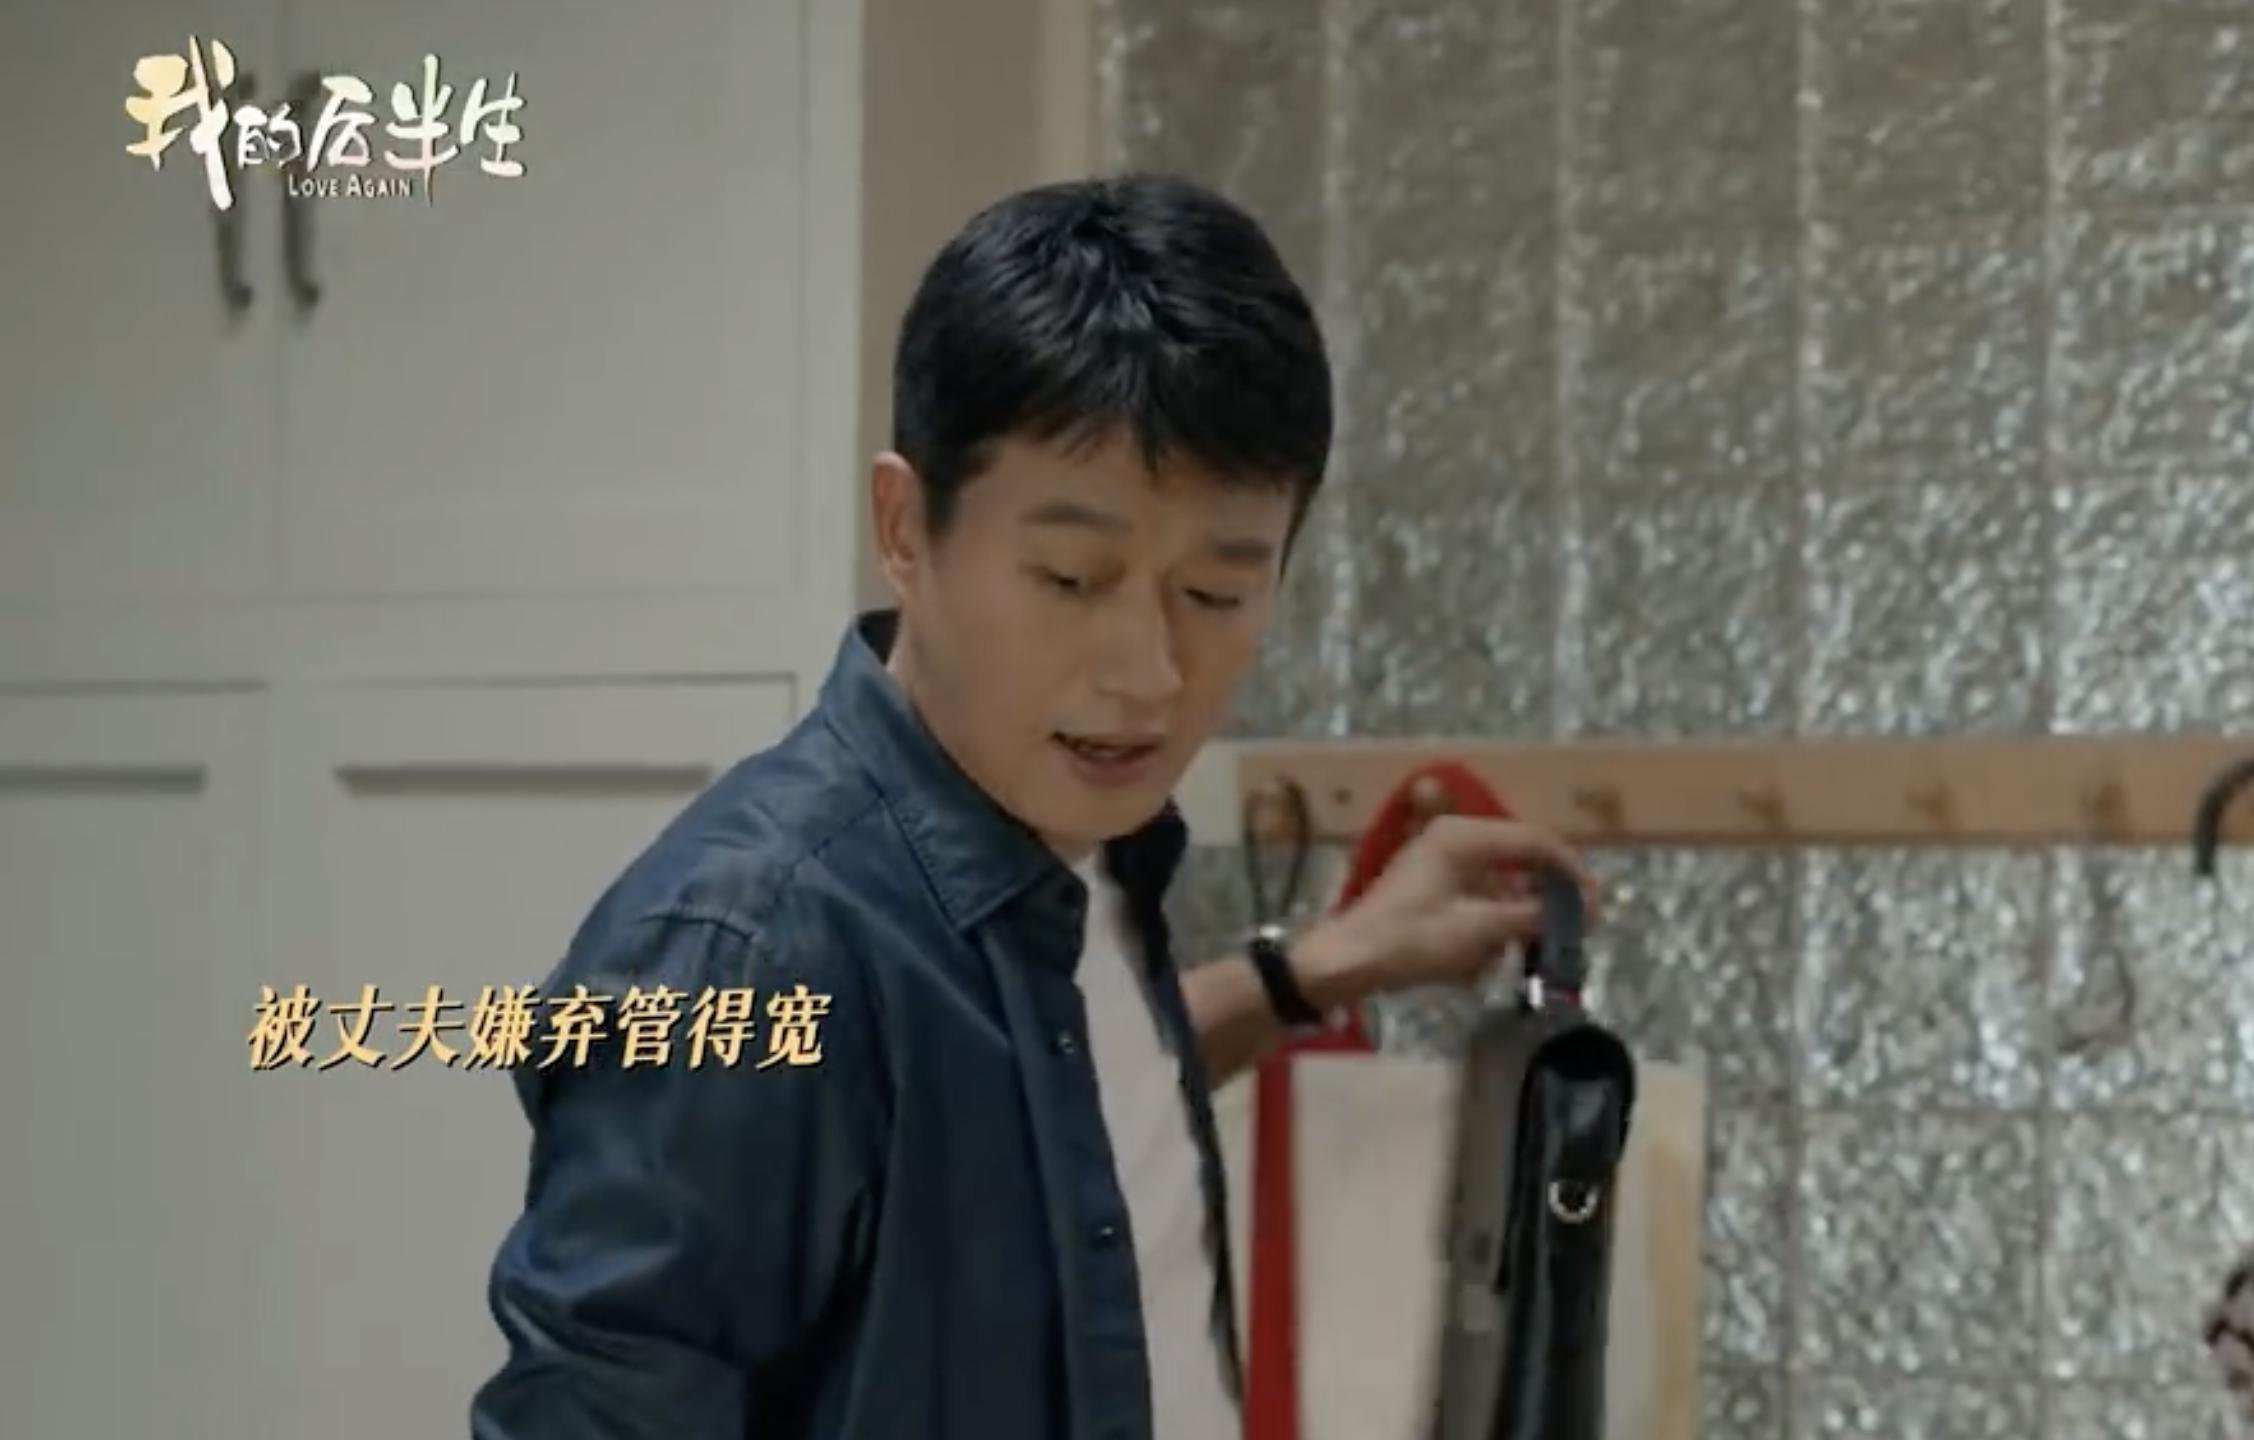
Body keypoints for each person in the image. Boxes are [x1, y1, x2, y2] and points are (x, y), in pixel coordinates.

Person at [468, 172, 1599, 1440]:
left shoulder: (1084, 841)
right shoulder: (748, 949)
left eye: (1216, 594)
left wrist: (1312, 972)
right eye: (1069, 577)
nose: (1148, 672)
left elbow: (1049, 1112)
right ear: (906, 527)